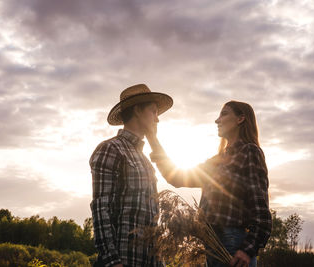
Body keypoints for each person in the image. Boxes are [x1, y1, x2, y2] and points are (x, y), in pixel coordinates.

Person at [147, 101, 272, 267]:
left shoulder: (249, 152)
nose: (217, 120)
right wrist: (153, 139)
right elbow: (176, 177)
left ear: (241, 118)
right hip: (213, 244)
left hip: (234, 244)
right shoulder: (217, 161)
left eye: (224, 114)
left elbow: (261, 210)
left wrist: (248, 249)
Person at [90, 84, 173, 267]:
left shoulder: (142, 157)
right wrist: (112, 261)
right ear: (137, 110)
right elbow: (101, 209)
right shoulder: (110, 149)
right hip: (124, 259)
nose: (157, 119)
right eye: (153, 111)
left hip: (149, 259)